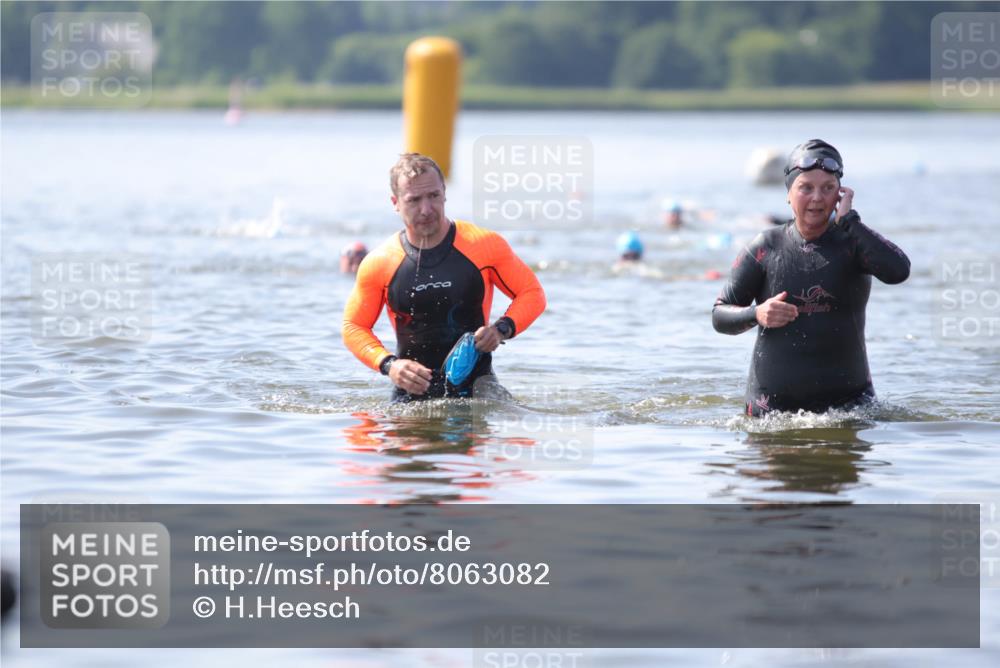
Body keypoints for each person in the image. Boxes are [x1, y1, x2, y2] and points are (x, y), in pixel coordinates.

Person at [712, 139, 910, 416]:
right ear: (788, 193)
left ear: (840, 195)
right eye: (806, 187)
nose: (817, 198)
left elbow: (899, 271)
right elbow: (719, 316)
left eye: (828, 188)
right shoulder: (765, 247)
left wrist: (851, 222)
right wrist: (757, 313)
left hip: (850, 407)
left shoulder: (854, 244)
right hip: (771, 410)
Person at [343, 153, 546, 401]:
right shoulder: (380, 262)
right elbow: (354, 326)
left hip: (480, 394)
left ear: (444, 192)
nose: (426, 209)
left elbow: (532, 293)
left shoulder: (483, 245)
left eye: (433, 196)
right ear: (395, 202)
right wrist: (389, 365)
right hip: (410, 400)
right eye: (414, 200)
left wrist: (501, 329)